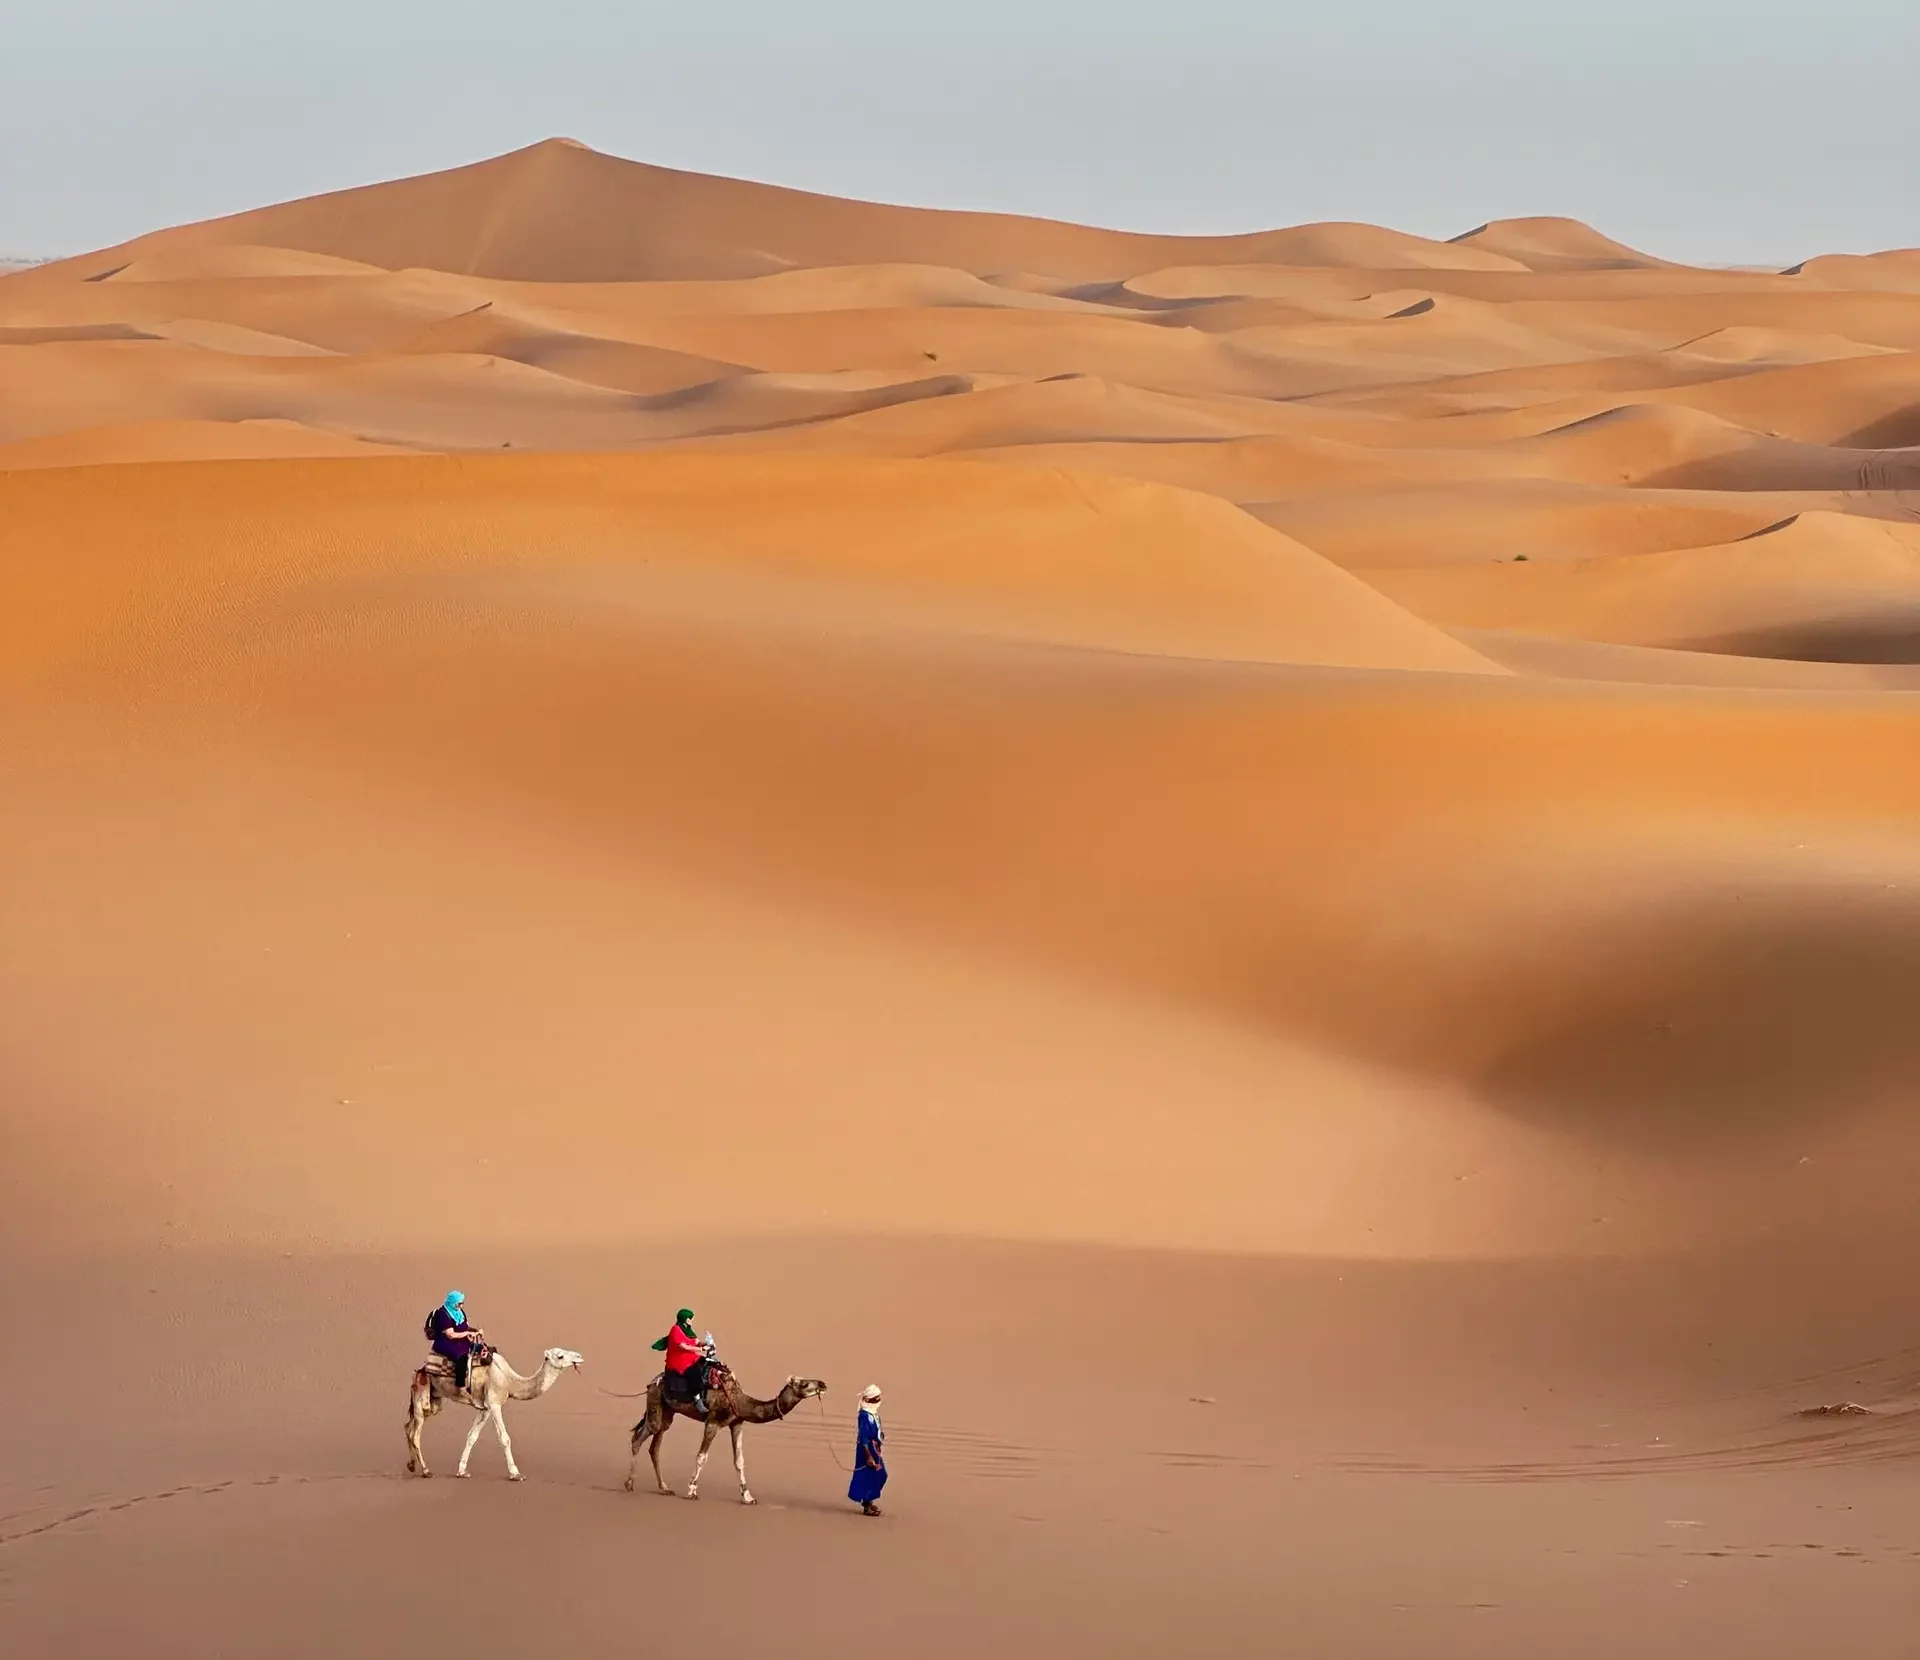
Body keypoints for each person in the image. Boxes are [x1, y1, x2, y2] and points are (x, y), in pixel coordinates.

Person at [426, 1290, 485, 1397]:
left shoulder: (459, 1313)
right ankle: (461, 1386)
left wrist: (475, 1332)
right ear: (452, 1302)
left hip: (460, 1339)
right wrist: (467, 1333)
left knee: (481, 1349)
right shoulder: (443, 1315)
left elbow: (465, 1326)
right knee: (462, 1357)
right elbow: (451, 1334)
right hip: (447, 1342)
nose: (461, 1306)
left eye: (462, 1303)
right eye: (459, 1304)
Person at [652, 1307, 710, 1415]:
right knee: (695, 1372)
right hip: (679, 1361)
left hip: (690, 1356)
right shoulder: (675, 1330)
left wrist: (706, 1344)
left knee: (708, 1363)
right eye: (690, 1318)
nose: (692, 1320)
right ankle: (697, 1399)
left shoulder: (687, 1329)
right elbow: (683, 1347)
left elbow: (696, 1341)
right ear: (685, 1319)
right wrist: (700, 1349)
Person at [849, 1384, 887, 1516]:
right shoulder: (864, 1416)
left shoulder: (873, 1413)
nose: (879, 1400)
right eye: (876, 1398)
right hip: (867, 1449)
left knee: (878, 1475)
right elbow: (863, 1436)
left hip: (874, 1447)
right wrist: (869, 1456)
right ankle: (867, 1504)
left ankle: (868, 1501)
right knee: (870, 1475)